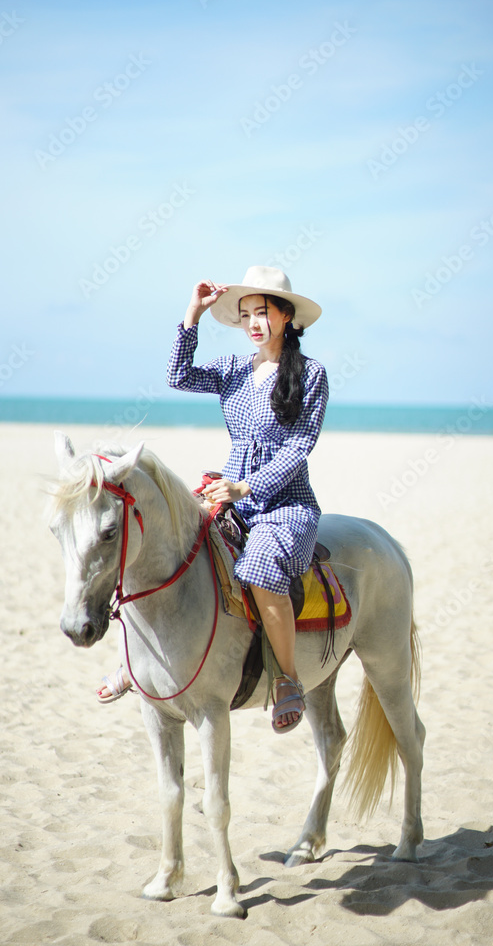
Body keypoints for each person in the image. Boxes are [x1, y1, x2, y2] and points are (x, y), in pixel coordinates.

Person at [96, 266, 329, 733]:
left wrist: (247, 487)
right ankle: (141, 661)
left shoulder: (312, 375)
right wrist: (194, 314)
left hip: (285, 504)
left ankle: (287, 679)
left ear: (287, 317)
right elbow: (177, 374)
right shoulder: (233, 370)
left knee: (260, 565)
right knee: (169, 545)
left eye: (263, 313)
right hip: (230, 493)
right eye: (246, 315)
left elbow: (299, 447)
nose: (254, 323)